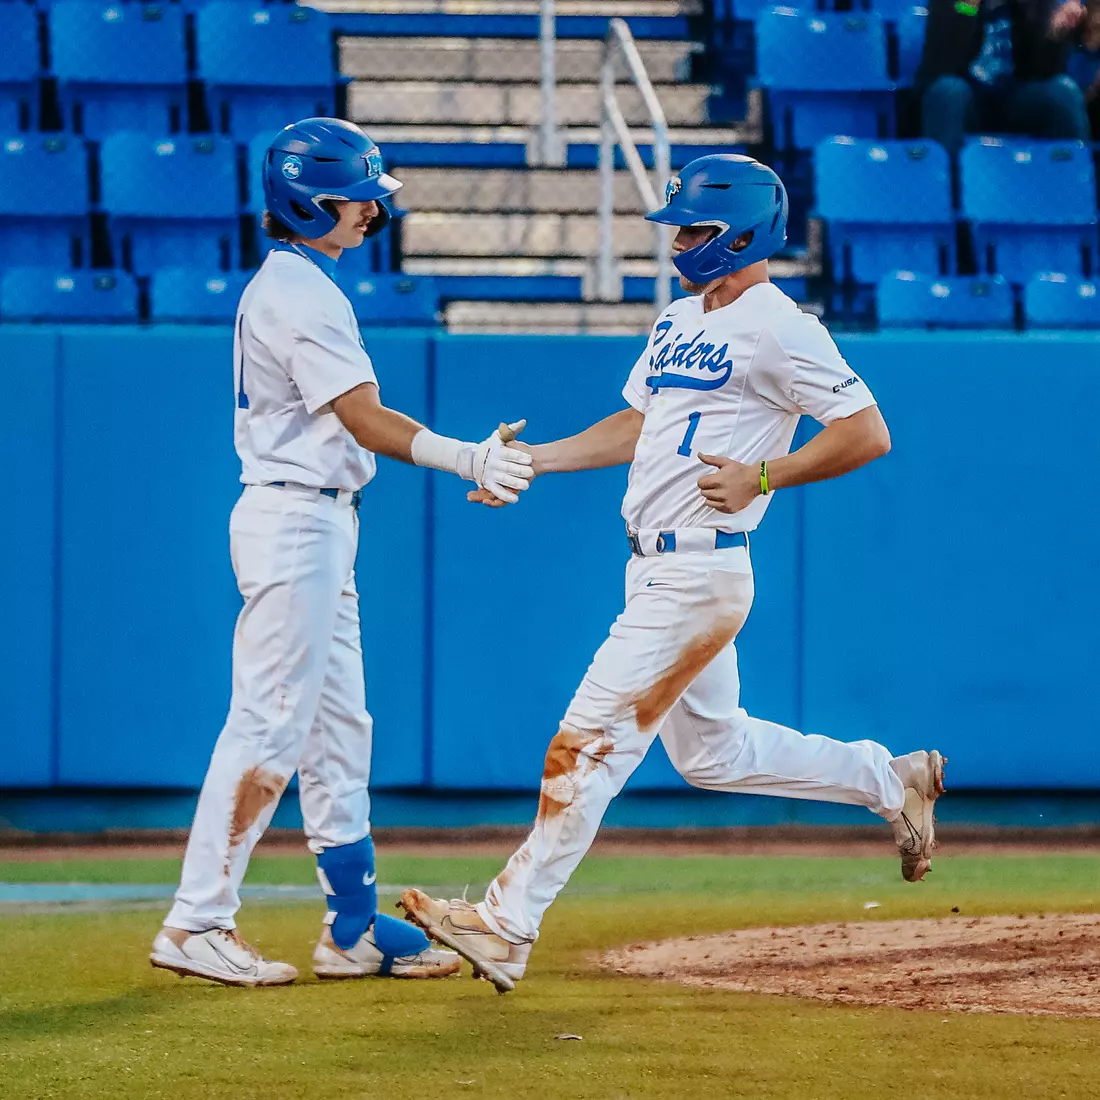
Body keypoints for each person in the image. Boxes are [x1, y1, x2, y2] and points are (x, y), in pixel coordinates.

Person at [399, 154, 947, 994]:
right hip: (655, 567)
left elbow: (868, 431)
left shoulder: (781, 325)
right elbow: (636, 423)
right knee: (713, 754)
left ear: (744, 230)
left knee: (587, 744)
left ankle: (508, 924)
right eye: (679, 225)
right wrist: (534, 462)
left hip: (700, 569)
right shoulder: (677, 318)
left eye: (695, 226)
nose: (680, 240)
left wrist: (767, 476)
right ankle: (890, 779)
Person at [149, 117, 534, 987]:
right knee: (267, 722)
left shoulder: (302, 283)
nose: (371, 211)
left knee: (337, 732)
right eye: (356, 197)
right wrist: (467, 455)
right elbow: (362, 417)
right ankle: (196, 921)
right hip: (294, 520)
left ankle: (352, 929)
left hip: (318, 518)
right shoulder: (299, 292)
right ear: (307, 201)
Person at [917, 0, 1091, 155]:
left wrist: (1055, 34)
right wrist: (967, 8)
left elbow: (1041, 70)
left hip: (1014, 100)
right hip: (967, 99)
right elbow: (938, 67)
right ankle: (948, 186)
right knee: (948, 91)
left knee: (1063, 93)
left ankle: (1076, 185)